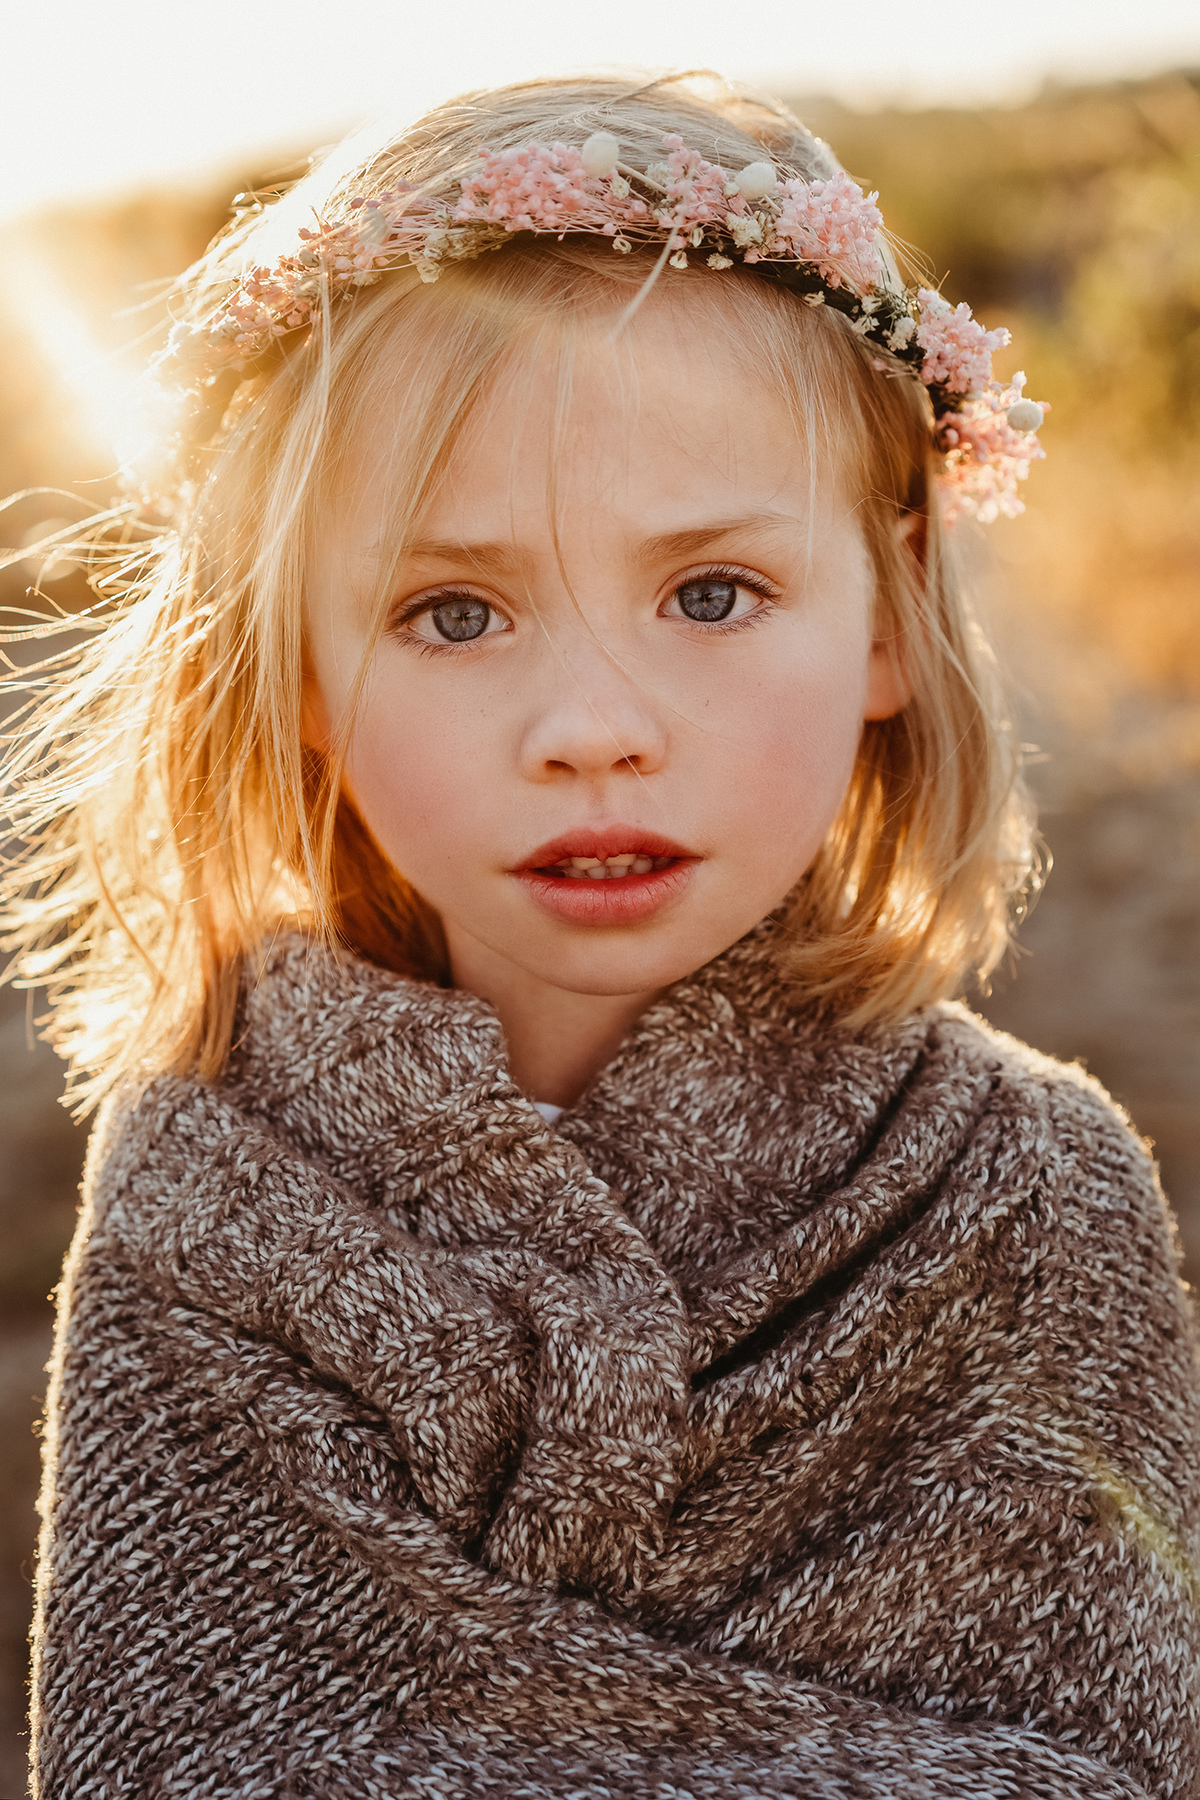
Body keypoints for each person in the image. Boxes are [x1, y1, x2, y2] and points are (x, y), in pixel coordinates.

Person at [6, 71, 1197, 1800]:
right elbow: (171, 1751)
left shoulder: (1028, 1185)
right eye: (454, 611)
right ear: (307, 678)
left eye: (712, 594)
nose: (591, 726)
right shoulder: (204, 1187)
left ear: (884, 605)